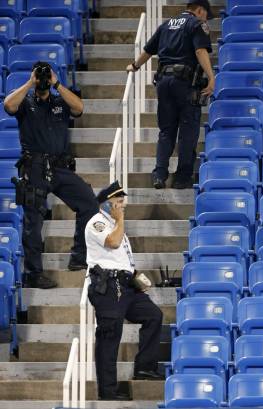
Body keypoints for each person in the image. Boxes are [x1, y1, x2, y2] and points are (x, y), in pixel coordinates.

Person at [4, 61, 99, 289]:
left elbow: (79, 108)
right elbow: (8, 105)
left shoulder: (60, 101)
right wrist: (30, 82)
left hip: (59, 168)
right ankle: (34, 273)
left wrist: (57, 83)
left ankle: (78, 258)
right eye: (41, 75)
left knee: (89, 202)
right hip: (34, 168)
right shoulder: (26, 103)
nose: (44, 79)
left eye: (45, 75)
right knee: (33, 223)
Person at [85, 181, 163, 401]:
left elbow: (123, 259)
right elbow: (112, 242)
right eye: (118, 202)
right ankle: (108, 391)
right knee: (110, 337)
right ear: (107, 205)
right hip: (109, 287)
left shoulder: (117, 224)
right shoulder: (97, 222)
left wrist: (137, 277)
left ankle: (144, 368)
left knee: (153, 316)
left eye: (122, 202)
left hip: (127, 286)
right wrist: (119, 220)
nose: (123, 206)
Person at [127, 0, 215, 189]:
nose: (206, 18)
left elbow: (148, 51)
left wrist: (134, 66)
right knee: (187, 132)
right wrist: (211, 77)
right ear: (200, 10)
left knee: (166, 131)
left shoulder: (166, 24)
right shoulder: (197, 24)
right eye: (206, 14)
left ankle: (159, 174)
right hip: (184, 83)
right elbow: (200, 50)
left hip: (164, 82)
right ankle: (182, 177)